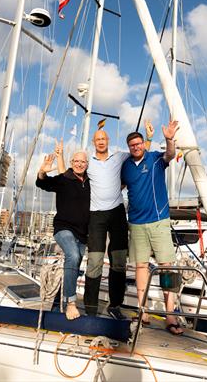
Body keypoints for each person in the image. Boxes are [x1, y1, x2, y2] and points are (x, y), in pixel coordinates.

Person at [57, 123, 154, 318]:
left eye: (104, 139)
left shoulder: (119, 156)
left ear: (108, 141)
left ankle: (115, 306)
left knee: (118, 262)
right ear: (94, 143)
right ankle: (91, 308)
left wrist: (149, 138)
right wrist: (59, 155)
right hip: (96, 216)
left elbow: (139, 154)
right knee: (94, 261)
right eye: (98, 139)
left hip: (117, 213)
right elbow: (65, 176)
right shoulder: (88, 161)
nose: (101, 142)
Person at [120, 119, 183, 335]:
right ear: (129, 148)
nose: (136, 147)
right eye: (132, 145)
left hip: (158, 220)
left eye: (139, 144)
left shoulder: (155, 158)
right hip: (136, 223)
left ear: (142, 145)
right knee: (140, 266)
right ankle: (142, 309)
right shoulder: (126, 166)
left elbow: (170, 155)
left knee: (167, 266)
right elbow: (118, 186)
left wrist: (169, 139)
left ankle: (171, 315)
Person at [36, 150, 90, 319]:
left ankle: (56, 304)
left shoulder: (91, 182)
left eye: (83, 161)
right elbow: (42, 183)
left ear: (87, 164)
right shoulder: (64, 179)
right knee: (73, 255)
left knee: (73, 268)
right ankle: (71, 304)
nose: (79, 164)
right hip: (63, 228)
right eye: (76, 161)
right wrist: (42, 172)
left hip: (83, 233)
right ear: (71, 162)